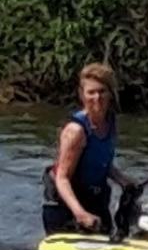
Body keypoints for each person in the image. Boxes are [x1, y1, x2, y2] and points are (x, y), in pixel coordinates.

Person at [42, 61, 139, 239]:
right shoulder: (76, 131)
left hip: (95, 198)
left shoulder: (110, 121)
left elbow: (101, 163)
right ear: (82, 95)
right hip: (66, 204)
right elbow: (62, 178)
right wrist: (80, 214)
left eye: (102, 91)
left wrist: (124, 181)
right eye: (91, 92)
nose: (97, 97)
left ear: (110, 93)